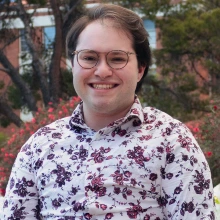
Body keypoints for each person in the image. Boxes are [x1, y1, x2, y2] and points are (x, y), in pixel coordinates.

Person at [2, 4, 216, 220]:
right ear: (72, 64)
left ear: (140, 68)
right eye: (89, 58)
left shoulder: (172, 141)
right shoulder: (39, 147)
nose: (102, 71)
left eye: (117, 58)